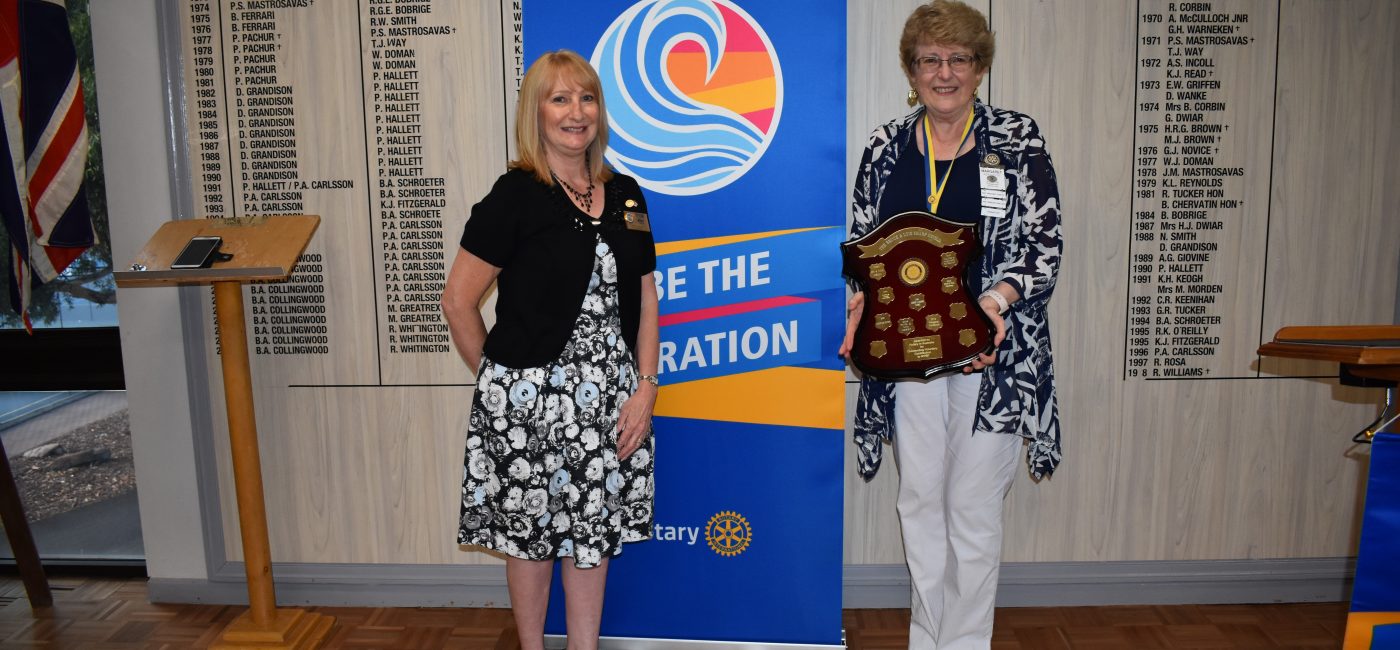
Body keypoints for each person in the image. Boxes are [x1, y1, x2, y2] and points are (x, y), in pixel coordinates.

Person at [838, 1, 1063, 647]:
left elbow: (1043, 244)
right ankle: (926, 638)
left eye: (958, 59)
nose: (944, 73)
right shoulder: (884, 146)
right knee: (919, 503)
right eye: (930, 60)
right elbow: (862, 242)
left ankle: (964, 644)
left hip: (992, 357)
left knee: (971, 509)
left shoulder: (1016, 139)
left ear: (979, 68)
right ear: (912, 71)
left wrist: (989, 307)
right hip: (907, 357)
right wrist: (860, 298)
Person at [443, 49, 658, 650]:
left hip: (611, 400)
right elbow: (458, 301)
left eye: (586, 97)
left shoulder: (628, 196)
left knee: (592, 532)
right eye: (559, 99)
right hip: (527, 404)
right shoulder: (515, 195)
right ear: (535, 114)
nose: (576, 112)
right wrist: (499, 384)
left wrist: (646, 386)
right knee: (530, 534)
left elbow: (645, 298)